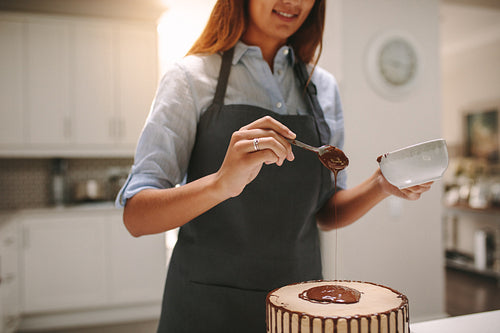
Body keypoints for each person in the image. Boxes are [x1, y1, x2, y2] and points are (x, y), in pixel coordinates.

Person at [116, 0, 433, 332]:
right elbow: (137, 217)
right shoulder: (189, 78)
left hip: (302, 309)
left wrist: (381, 184)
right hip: (207, 308)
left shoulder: (322, 88)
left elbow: (325, 213)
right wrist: (222, 183)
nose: (293, 2)